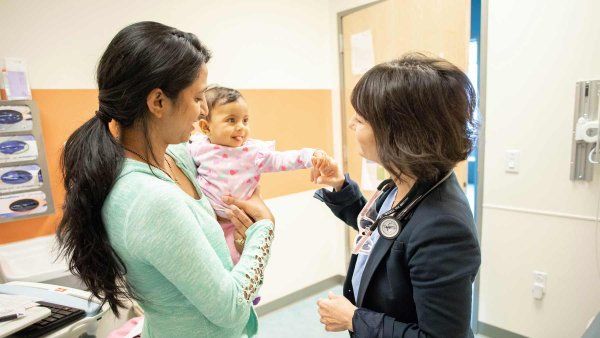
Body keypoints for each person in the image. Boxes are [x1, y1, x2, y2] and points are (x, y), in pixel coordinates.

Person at [56, 21, 274, 338]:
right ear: (158, 101)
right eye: (198, 98)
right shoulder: (148, 198)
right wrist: (263, 231)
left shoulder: (178, 158)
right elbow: (229, 310)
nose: (202, 113)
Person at [312, 53, 482, 337]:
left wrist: (354, 318)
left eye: (361, 119)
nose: (352, 125)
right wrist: (341, 186)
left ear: (400, 134)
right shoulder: (408, 180)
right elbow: (385, 236)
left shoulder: (443, 228)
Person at [189, 85, 328, 265]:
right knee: (206, 262)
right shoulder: (197, 147)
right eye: (231, 120)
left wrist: (310, 156)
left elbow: (282, 160)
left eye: (245, 120)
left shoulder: (253, 153)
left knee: (235, 265)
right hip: (206, 220)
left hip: (238, 223)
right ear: (206, 127)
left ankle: (247, 292)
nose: (241, 127)